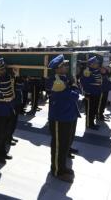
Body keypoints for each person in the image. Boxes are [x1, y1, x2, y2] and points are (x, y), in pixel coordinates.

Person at [46, 54, 80, 183]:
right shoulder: (55, 80)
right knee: (58, 145)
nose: (67, 67)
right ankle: (57, 170)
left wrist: (74, 87)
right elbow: (73, 96)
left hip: (68, 115)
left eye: (66, 64)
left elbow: (73, 93)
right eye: (64, 65)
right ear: (58, 68)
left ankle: (62, 166)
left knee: (65, 144)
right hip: (59, 117)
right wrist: (75, 88)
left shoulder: (64, 78)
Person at [80, 56, 103, 129]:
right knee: (90, 110)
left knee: (94, 109)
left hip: (97, 93)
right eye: (96, 63)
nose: (98, 64)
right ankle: (89, 124)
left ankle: (92, 123)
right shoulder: (87, 72)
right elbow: (84, 83)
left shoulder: (96, 71)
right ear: (91, 64)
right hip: (90, 94)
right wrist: (87, 93)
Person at [7, 68, 23, 146]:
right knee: (10, 121)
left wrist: (18, 76)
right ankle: (8, 138)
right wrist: (16, 76)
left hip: (17, 100)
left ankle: (10, 136)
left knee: (14, 121)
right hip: (12, 101)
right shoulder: (9, 77)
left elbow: (21, 84)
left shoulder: (17, 77)